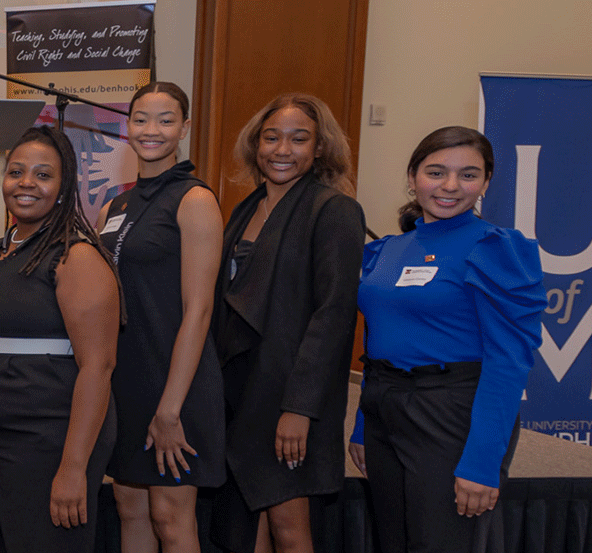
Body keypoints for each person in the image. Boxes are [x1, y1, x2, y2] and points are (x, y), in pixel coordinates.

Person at [348, 126, 544, 553]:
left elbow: (508, 361)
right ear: (413, 176)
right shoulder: (388, 249)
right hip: (385, 408)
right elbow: (378, 344)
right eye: (436, 172)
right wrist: (364, 425)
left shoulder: (496, 248)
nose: (451, 186)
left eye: (468, 175)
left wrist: (483, 461)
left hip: (452, 413)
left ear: (487, 182)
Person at [0, 125, 120, 552]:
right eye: (16, 172)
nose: (26, 184)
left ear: (64, 185)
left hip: (46, 438)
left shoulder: (77, 256)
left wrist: (74, 467)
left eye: (42, 174)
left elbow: (99, 367)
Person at [211, 93, 364, 553]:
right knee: (246, 522)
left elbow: (334, 315)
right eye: (271, 137)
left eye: (299, 139)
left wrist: (299, 408)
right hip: (241, 387)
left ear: (319, 149)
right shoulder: (244, 208)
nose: (282, 149)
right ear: (255, 145)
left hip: (289, 394)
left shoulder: (333, 210)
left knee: (289, 525)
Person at [97, 82, 224, 553]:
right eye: (141, 119)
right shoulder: (118, 203)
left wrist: (170, 409)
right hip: (127, 379)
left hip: (176, 382)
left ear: (184, 128)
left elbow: (201, 310)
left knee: (170, 518)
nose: (151, 130)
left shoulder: (194, 200)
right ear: (127, 125)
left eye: (166, 120)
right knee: (130, 509)